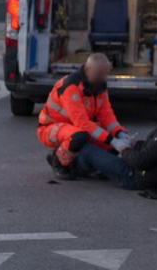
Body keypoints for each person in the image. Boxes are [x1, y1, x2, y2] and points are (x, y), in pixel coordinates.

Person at [75, 81, 157, 190]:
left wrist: (123, 149)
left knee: (88, 150)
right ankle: (96, 169)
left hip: (137, 178)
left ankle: (78, 169)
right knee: (107, 149)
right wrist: (135, 144)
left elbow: (140, 162)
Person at [37, 53, 130, 181]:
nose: (101, 78)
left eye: (104, 74)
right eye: (98, 74)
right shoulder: (71, 87)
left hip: (74, 128)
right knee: (80, 136)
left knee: (107, 142)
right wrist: (113, 141)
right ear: (87, 70)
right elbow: (82, 124)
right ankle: (58, 160)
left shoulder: (99, 86)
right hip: (51, 129)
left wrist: (119, 133)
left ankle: (84, 165)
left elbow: (106, 115)